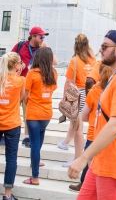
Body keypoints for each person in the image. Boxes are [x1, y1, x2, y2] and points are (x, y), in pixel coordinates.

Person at [68, 29, 116, 200]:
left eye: (104, 46)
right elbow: (97, 115)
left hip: (115, 163)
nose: (100, 50)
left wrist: (83, 157)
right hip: (102, 160)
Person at [68, 63, 112, 192]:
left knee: (90, 160)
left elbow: (84, 116)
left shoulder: (94, 90)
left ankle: (86, 185)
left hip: (94, 132)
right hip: (109, 135)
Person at [58, 34, 97, 168]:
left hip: (79, 95)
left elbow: (69, 83)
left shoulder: (74, 60)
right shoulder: (93, 59)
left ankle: (77, 159)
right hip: (92, 93)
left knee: (78, 129)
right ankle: (73, 150)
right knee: (79, 126)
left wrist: (65, 99)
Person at [24, 47, 58, 185]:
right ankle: (36, 161)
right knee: (38, 142)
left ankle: (35, 177)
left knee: (34, 144)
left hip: (33, 114)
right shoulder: (53, 74)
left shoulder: (32, 73)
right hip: (46, 114)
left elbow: (25, 96)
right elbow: (53, 90)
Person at [11, 26, 48, 148]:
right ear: (33, 36)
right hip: (17, 84)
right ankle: (6, 132)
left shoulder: (43, 49)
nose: (43, 38)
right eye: (40, 36)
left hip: (31, 87)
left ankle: (27, 137)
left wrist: (45, 49)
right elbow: (9, 59)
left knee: (28, 113)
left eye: (43, 36)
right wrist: (18, 65)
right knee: (11, 109)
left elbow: (53, 62)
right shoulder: (21, 46)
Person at [0, 52, 25, 200]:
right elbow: (22, 98)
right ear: (16, 65)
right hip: (12, 124)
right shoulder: (20, 80)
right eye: (20, 62)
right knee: (11, 159)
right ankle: (7, 195)